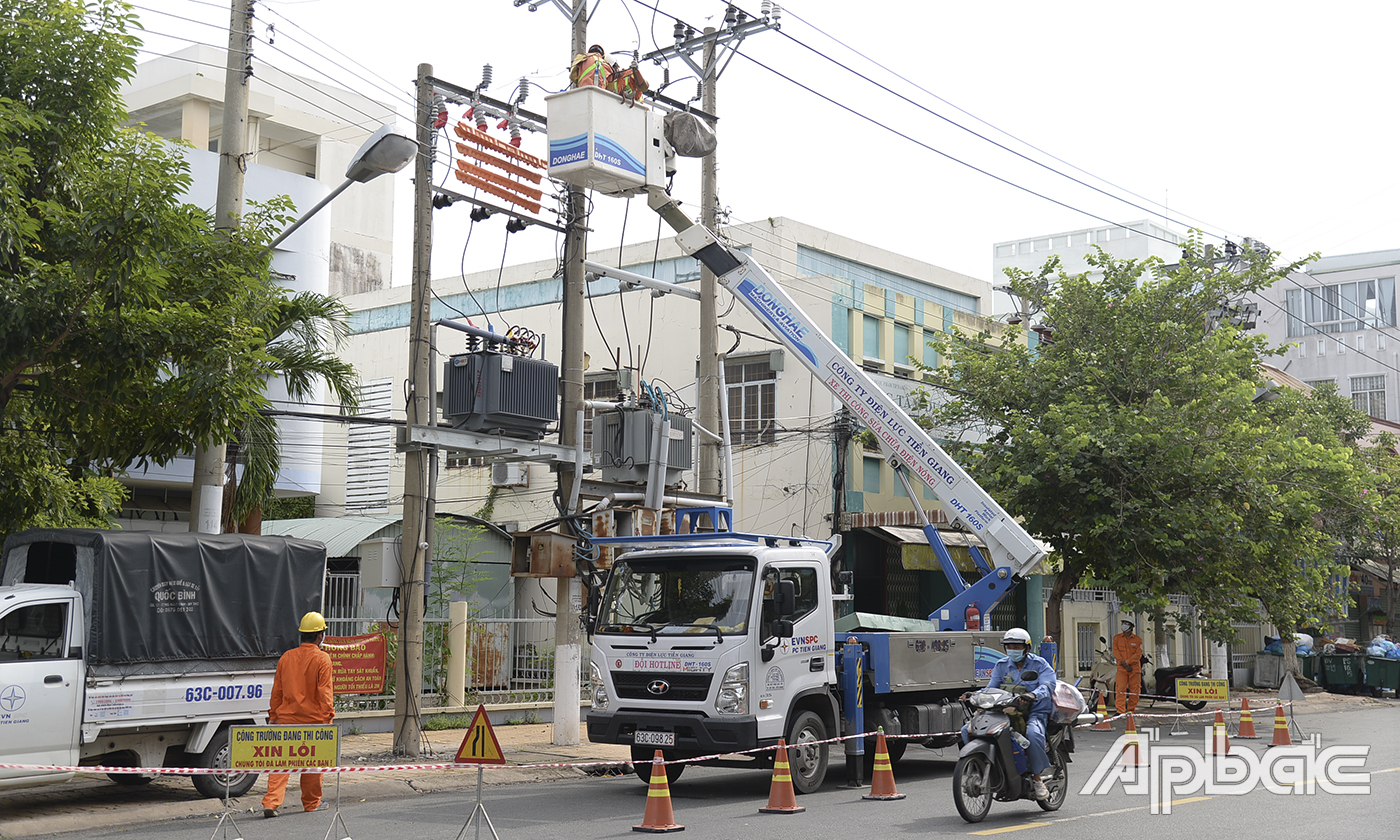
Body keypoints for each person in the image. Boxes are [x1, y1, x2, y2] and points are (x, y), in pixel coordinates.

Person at [262, 611, 335, 818]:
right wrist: (328, 716)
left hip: (286, 721)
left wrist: (274, 716)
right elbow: (325, 692)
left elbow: (277, 691)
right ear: (320, 636)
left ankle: (271, 802)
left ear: (302, 634)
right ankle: (311, 803)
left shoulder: (287, 657)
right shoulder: (323, 659)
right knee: (313, 764)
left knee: (280, 763)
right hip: (314, 722)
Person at [986, 627, 1055, 800]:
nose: (1013, 650)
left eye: (1017, 646)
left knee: (1032, 734)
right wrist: (975, 695)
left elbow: (1048, 685)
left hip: (1035, 710)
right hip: (1008, 710)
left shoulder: (1039, 664)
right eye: (1009, 646)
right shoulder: (1001, 665)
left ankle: (1038, 779)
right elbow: (991, 687)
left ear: (1026, 648)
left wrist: (1033, 695)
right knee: (967, 729)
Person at [1112, 618, 1144, 715]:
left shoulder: (1138, 640)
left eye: (1126, 623)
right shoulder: (1116, 638)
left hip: (1134, 669)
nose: (1124, 625)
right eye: (1123, 623)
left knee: (1135, 691)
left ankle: (1131, 710)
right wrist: (1125, 664)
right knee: (1120, 690)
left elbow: (1138, 654)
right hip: (1122, 669)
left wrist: (1128, 663)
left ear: (1131, 627)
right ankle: (1120, 711)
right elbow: (1116, 653)